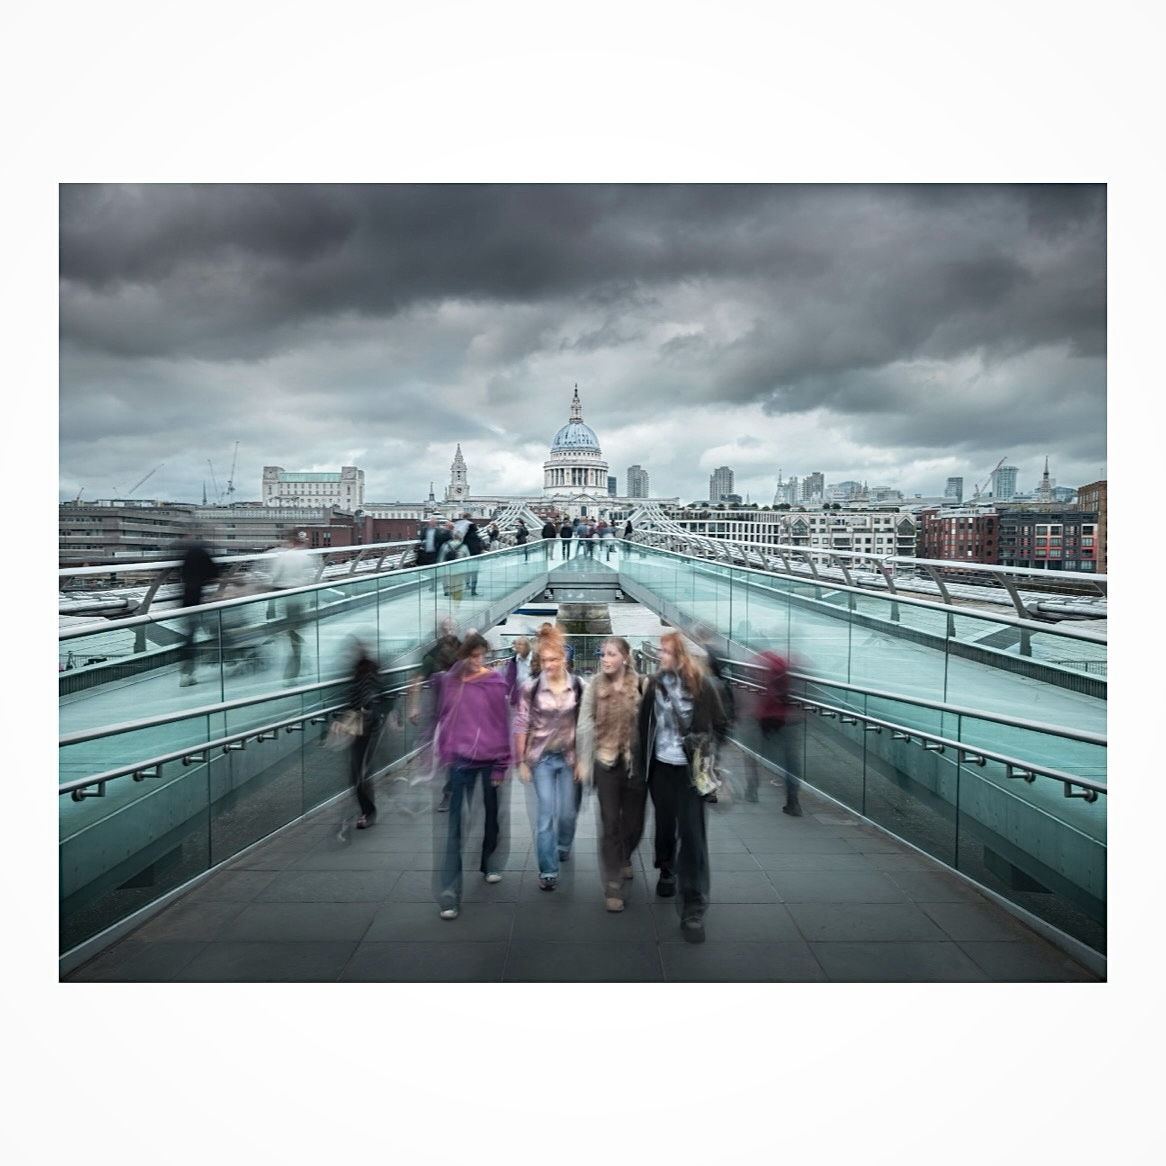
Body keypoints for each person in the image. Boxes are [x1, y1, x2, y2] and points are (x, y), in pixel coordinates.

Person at [638, 630, 727, 943]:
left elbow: (721, 725)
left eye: (664, 652)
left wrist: (706, 755)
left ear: (680, 656)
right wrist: (640, 768)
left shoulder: (703, 686)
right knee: (665, 826)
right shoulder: (654, 685)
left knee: (692, 835)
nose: (659, 656)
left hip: (690, 773)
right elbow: (643, 727)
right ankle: (666, 868)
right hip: (661, 769)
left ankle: (694, 906)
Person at [431, 633, 513, 919]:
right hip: (460, 761)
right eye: (472, 655)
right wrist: (445, 751)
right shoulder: (452, 682)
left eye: (481, 656)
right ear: (463, 656)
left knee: (491, 813)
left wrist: (502, 764)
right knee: (455, 826)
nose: (477, 661)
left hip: (489, 759)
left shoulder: (494, 682)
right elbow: (445, 717)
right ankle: (449, 893)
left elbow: (502, 724)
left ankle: (488, 860)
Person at [576, 636, 647, 912]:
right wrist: (584, 761)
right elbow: (584, 724)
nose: (605, 659)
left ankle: (625, 854)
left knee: (634, 823)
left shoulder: (641, 685)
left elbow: (651, 723)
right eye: (603, 654)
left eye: (611, 654)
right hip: (605, 762)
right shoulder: (594, 685)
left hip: (634, 764)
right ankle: (612, 883)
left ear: (625, 658)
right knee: (609, 823)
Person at [514, 625, 586, 891]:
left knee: (567, 812)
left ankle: (564, 844)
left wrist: (583, 760)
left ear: (563, 658)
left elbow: (586, 725)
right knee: (546, 813)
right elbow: (521, 723)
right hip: (542, 758)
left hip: (569, 758)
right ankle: (547, 870)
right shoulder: (530, 688)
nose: (548, 665)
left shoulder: (579, 686)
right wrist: (521, 761)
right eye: (544, 660)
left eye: (554, 659)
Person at [339, 641, 397, 834]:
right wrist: (343, 719)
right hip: (357, 727)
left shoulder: (371, 671)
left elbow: (383, 695)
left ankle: (369, 813)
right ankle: (367, 810)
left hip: (370, 727)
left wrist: (381, 714)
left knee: (361, 771)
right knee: (357, 772)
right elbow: (351, 700)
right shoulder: (355, 673)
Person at [408, 618, 462, 811]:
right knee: (444, 751)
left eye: (452, 628)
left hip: (461, 714)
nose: (449, 632)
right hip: (440, 714)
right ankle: (447, 789)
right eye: (445, 629)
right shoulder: (432, 657)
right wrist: (414, 706)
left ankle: (451, 789)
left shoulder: (464, 652)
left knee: (456, 753)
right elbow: (417, 679)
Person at [752, 648, 802, 813]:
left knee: (757, 752)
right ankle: (793, 800)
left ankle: (752, 787)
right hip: (786, 718)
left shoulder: (763, 663)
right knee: (791, 760)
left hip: (766, 717)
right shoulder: (788, 669)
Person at [174, 527, 219, 687]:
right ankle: (222, 658)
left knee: (189, 637)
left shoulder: (179, 551)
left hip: (186, 601)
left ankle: (187, 673)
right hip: (202, 599)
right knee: (216, 630)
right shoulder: (199, 549)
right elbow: (213, 573)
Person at [269, 530, 315, 682]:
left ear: (291, 541)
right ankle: (301, 660)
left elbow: (275, 578)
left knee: (291, 630)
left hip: (286, 597)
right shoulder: (307, 557)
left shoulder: (284, 557)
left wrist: (271, 603)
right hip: (300, 596)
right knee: (295, 629)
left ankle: (294, 668)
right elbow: (311, 579)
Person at [438, 528, 470, 600]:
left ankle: (447, 591)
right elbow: (468, 559)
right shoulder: (464, 547)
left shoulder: (445, 545)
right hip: (460, 568)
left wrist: (440, 566)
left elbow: (441, 558)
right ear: (460, 537)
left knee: (447, 579)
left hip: (448, 567)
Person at [503, 636, 533, 705]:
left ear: (527, 646)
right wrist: (505, 694)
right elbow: (510, 678)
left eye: (520, 644)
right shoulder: (514, 660)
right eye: (516, 644)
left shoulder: (535, 659)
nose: (517, 647)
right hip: (518, 694)